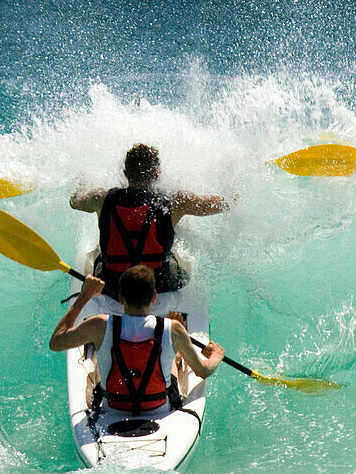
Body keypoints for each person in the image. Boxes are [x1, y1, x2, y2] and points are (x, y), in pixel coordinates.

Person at [49, 266, 224, 414]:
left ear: (121, 298)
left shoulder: (99, 324)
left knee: (96, 354)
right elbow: (204, 371)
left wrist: (84, 296)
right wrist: (216, 355)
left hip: (112, 408)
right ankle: (178, 351)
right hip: (160, 408)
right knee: (173, 350)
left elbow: (56, 342)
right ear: (154, 296)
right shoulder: (173, 328)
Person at [70, 143, 228, 293]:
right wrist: (234, 196)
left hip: (112, 283)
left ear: (125, 173)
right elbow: (215, 206)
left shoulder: (100, 198)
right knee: (177, 244)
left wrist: (82, 183)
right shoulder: (176, 201)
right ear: (157, 174)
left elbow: (74, 202)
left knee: (98, 251)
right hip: (159, 283)